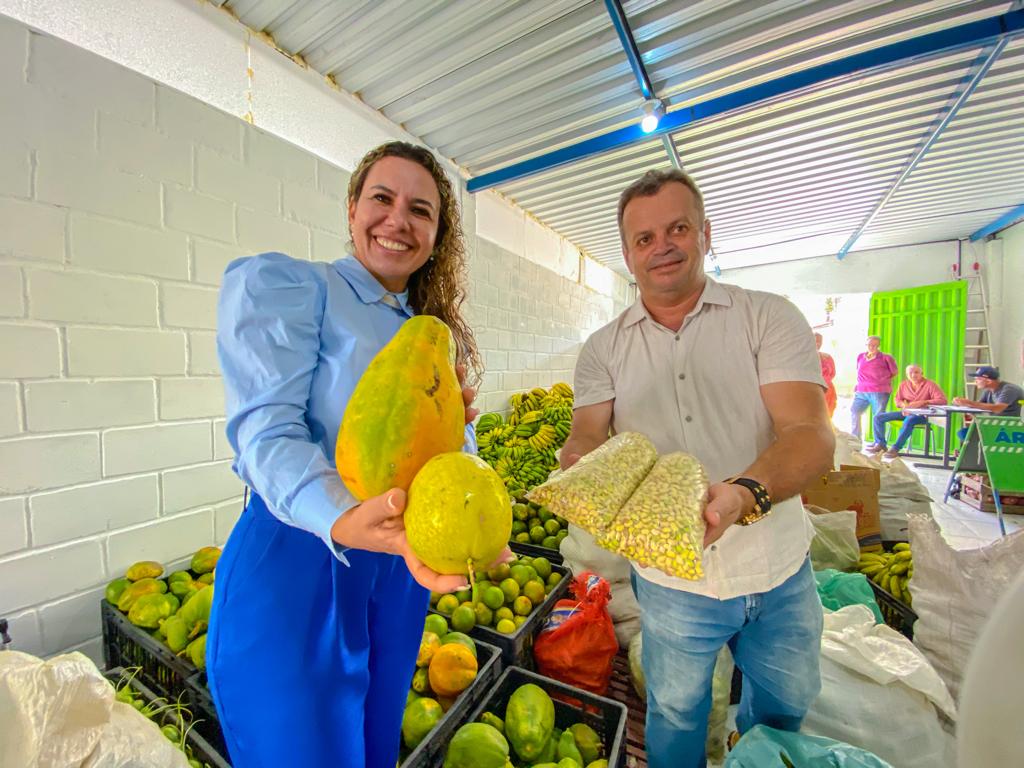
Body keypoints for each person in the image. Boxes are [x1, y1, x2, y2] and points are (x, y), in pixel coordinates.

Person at [209, 141, 501, 767]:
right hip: (299, 561)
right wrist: (341, 517)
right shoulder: (296, 289)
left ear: (436, 234)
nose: (398, 220)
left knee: (370, 751)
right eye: (382, 198)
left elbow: (446, 462)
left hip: (397, 572)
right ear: (351, 210)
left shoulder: (428, 333)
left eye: (420, 210)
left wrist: (468, 502)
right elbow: (266, 432)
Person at [562, 169, 834, 768]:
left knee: (783, 711)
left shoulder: (766, 316)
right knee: (677, 712)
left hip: (777, 569)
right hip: (672, 584)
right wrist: (578, 471)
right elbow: (585, 436)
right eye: (643, 238)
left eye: (677, 228)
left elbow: (810, 435)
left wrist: (742, 494)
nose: (662, 245)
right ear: (628, 255)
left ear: (705, 233)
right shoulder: (604, 349)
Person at [866, 364, 946, 458]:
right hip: (907, 412)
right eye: (910, 373)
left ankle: (895, 448)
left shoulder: (930, 384)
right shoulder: (904, 384)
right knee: (878, 417)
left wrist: (923, 402)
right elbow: (897, 400)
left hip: (923, 415)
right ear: (907, 374)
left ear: (922, 373)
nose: (913, 375)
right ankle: (880, 444)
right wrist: (904, 405)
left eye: (916, 372)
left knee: (909, 420)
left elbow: (942, 400)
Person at [953, 366, 1024, 441]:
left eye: (978, 379)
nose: (975, 381)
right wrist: (963, 404)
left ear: (989, 381)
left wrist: (969, 402)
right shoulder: (989, 391)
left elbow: (998, 408)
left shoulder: (1009, 389)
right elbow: (978, 406)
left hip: (1009, 427)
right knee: (963, 433)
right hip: (995, 425)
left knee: (966, 434)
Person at [850, 336, 897, 440]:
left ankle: (879, 443)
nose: (872, 347)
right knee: (854, 411)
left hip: (879, 391)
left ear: (879, 345)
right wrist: (857, 384)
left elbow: (894, 372)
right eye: (870, 345)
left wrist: (880, 380)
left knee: (878, 416)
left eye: (875, 345)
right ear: (866, 345)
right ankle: (855, 439)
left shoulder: (886, 358)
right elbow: (859, 371)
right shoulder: (861, 356)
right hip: (861, 391)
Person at [815, 332, 837, 418]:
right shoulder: (804, 357)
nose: (817, 343)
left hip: (828, 390)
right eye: (815, 341)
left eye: (819, 341)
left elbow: (833, 373)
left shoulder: (827, 357)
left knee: (828, 415)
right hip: (813, 389)